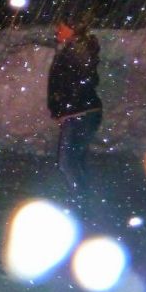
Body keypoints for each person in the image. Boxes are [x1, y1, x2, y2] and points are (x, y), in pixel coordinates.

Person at [47, 16, 102, 218]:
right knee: (76, 160)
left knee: (68, 162)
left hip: (81, 113)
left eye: (61, 28)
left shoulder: (78, 50)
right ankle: (84, 200)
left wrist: (66, 109)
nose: (57, 31)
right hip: (81, 112)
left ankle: (81, 204)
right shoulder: (73, 49)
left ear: (73, 29)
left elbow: (80, 83)